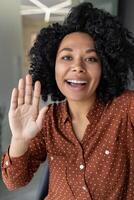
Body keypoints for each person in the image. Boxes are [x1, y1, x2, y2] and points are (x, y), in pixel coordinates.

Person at [1, 2, 134, 200]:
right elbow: (14, 182)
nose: (77, 67)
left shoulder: (126, 107)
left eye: (91, 59)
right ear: (52, 66)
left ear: (105, 66)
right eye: (66, 57)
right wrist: (19, 139)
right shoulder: (47, 120)